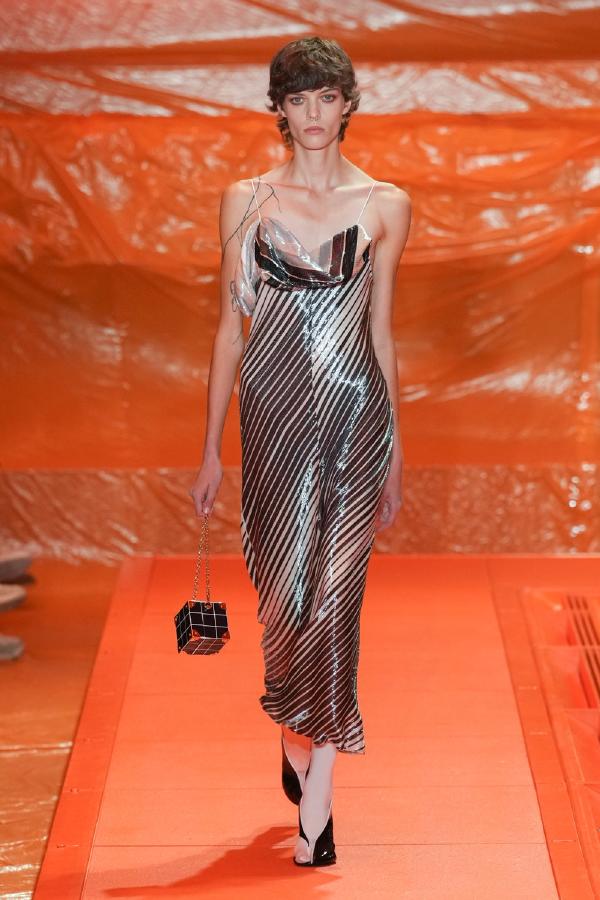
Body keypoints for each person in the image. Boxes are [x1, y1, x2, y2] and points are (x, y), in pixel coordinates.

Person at [190, 35, 411, 867]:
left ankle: (320, 795)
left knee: (336, 600)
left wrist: (397, 450)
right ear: (279, 109)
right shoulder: (245, 199)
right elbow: (228, 328)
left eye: (326, 97)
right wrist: (210, 448)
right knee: (284, 596)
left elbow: (382, 331)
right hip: (274, 421)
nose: (313, 113)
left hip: (357, 420)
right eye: (297, 99)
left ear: (347, 104)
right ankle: (293, 726)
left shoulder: (386, 203)